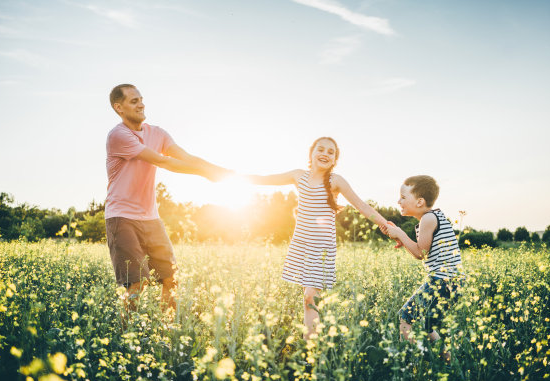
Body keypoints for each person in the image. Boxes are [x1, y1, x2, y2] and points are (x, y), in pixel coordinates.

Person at [105, 83, 230, 318]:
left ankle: (166, 331)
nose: (141, 104)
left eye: (141, 99)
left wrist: (218, 170)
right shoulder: (119, 136)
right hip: (121, 217)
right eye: (134, 101)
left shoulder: (158, 133)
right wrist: (205, 173)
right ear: (119, 107)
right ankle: (126, 335)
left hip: (151, 217)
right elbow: (163, 161)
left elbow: (185, 157)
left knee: (171, 278)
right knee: (137, 283)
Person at [246, 137, 389, 339]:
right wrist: (236, 176)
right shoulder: (298, 176)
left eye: (331, 152)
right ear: (311, 154)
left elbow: (361, 205)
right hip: (301, 243)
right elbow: (267, 178)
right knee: (307, 298)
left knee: (310, 297)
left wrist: (386, 224)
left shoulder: (335, 181)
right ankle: (311, 345)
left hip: (321, 247)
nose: (325, 154)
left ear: (334, 160)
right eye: (320, 149)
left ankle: (311, 350)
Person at [382, 175, 465, 362]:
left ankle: (418, 362)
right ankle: (447, 362)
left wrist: (402, 234)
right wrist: (402, 238)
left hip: (443, 280)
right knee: (427, 325)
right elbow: (421, 250)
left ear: (420, 202)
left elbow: (421, 254)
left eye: (403, 197)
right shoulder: (431, 217)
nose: (398, 201)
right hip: (451, 280)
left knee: (405, 317)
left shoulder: (428, 218)